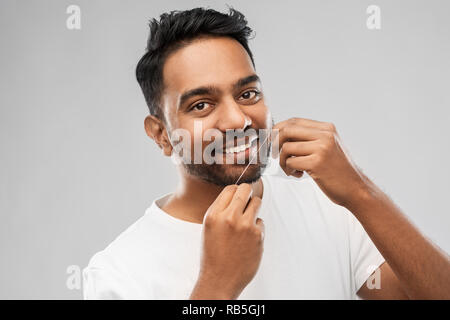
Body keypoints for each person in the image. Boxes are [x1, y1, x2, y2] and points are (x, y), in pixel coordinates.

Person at [83, 7, 450, 299]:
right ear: (161, 134)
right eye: (201, 105)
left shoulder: (325, 202)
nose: (238, 120)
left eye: (247, 94)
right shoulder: (118, 273)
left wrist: (361, 193)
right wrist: (217, 287)